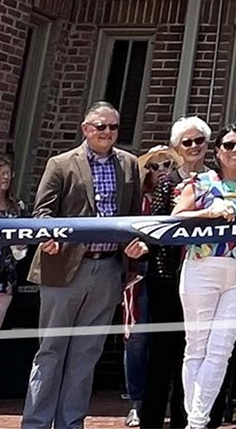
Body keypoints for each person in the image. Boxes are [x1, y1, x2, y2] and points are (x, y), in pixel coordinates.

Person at [23, 102, 148, 429]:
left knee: (85, 355)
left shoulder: (130, 165)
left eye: (113, 127)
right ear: (85, 129)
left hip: (107, 270)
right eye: (100, 127)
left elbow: (134, 218)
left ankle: (71, 423)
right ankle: (36, 423)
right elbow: (43, 213)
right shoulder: (61, 164)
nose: (107, 133)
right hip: (63, 269)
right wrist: (48, 237)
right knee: (51, 351)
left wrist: (135, 245)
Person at [171, 124, 236, 429]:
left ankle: (196, 421)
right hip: (202, 268)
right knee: (197, 347)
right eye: (228, 146)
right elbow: (175, 217)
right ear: (217, 152)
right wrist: (208, 212)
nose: (235, 151)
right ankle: (197, 421)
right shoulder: (200, 183)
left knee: (222, 348)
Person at [136, 144, 188, 429]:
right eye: (155, 167)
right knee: (157, 351)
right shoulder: (164, 188)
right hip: (161, 276)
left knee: (186, 351)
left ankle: (182, 418)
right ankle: (150, 417)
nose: (162, 171)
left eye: (167, 165)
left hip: (191, 276)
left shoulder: (200, 184)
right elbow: (156, 230)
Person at [0, 154, 27, 330]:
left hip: (4, 277)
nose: (5, 177)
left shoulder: (17, 207)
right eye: (1, 172)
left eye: (8, 173)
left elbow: (22, 244)